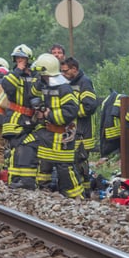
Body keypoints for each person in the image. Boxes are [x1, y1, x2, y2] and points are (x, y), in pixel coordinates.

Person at [27, 53, 84, 198]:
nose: (41, 76)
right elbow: (32, 93)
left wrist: (47, 114)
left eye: (42, 73)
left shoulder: (64, 88)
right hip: (48, 134)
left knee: (65, 169)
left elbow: (70, 112)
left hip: (61, 136)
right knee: (44, 166)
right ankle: (44, 194)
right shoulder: (45, 84)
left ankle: (77, 199)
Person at [2, 44, 38, 189]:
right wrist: (18, 70)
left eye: (22, 58)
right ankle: (15, 179)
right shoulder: (13, 75)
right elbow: (7, 86)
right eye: (17, 58)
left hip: (33, 119)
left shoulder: (35, 75)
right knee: (16, 148)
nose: (19, 61)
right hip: (16, 119)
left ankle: (27, 181)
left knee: (28, 149)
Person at [60, 57, 97, 192]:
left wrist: (70, 113)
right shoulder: (67, 83)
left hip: (82, 133)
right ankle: (79, 191)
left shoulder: (84, 82)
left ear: (74, 69)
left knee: (79, 164)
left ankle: (84, 193)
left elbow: (90, 107)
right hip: (72, 131)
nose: (63, 74)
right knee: (72, 163)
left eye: (65, 71)